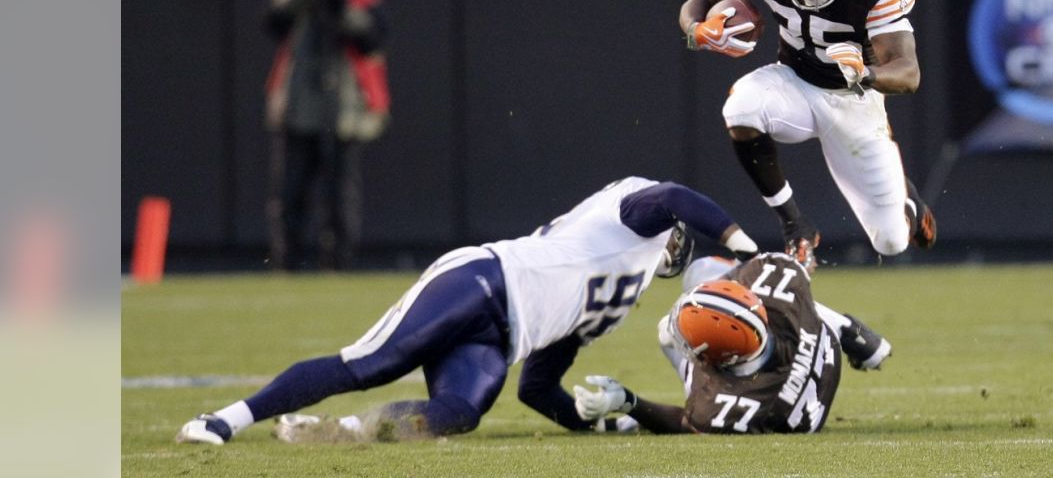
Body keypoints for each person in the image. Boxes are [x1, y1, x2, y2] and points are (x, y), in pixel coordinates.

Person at [176, 177, 760, 444]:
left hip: (498, 341)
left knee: (459, 411)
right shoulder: (626, 215)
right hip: (483, 280)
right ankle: (224, 420)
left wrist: (611, 419)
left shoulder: (619, 297)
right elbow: (675, 197)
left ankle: (337, 432)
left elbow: (537, 388)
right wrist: (741, 244)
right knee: (372, 363)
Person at [677, 0, 936, 264]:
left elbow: (908, 73)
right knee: (741, 109)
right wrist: (698, 33)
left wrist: (866, 73)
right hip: (794, 81)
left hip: (853, 98)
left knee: (891, 242)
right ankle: (794, 224)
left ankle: (905, 196)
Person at [572, 252, 890, 433]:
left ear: (721, 362)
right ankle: (849, 330)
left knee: (665, 332)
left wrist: (629, 403)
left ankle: (849, 330)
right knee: (793, 299)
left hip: (780, 398)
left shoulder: (719, 408)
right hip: (813, 348)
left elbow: (687, 423)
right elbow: (793, 275)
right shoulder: (781, 281)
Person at [263, 0, 390, 271]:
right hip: (298, 109)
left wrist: (342, 5)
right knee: (290, 193)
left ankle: (339, 263)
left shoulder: (364, 0)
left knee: (340, 195)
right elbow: (272, 20)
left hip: (343, 111)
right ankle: (285, 262)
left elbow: (371, 40)